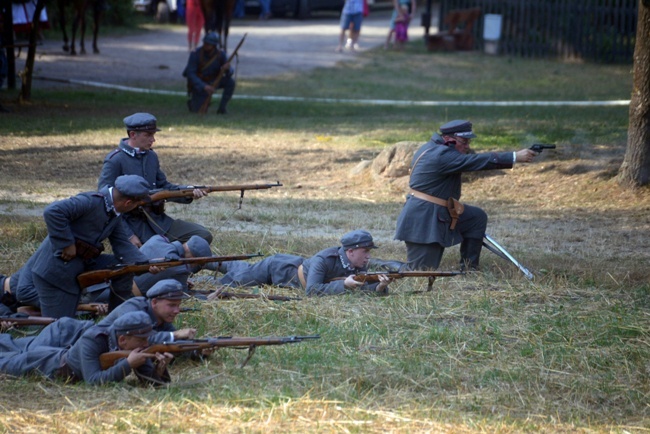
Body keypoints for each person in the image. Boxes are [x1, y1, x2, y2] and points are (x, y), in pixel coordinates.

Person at [394, 120, 539, 271]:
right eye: (464, 141)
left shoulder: (434, 148)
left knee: (475, 217)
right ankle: (374, 264)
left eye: (468, 141)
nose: (467, 146)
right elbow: (473, 161)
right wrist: (514, 156)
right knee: (419, 271)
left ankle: (469, 268)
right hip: (424, 220)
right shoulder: (441, 155)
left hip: (437, 212)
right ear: (449, 140)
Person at [26, 175, 161, 318]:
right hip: (55, 274)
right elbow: (52, 211)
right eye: (137, 204)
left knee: (122, 267)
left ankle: (116, 316)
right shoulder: (90, 201)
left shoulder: (114, 212)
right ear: (128, 203)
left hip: (76, 267)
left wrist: (145, 265)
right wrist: (66, 243)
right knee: (58, 328)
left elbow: (122, 244)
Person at [97, 113, 213, 246]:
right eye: (148, 135)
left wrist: (190, 191)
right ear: (133, 134)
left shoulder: (151, 156)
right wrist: (128, 235)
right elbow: (106, 200)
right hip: (133, 225)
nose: (153, 140)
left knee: (202, 236)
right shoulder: (115, 160)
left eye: (153, 135)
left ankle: (175, 255)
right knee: (156, 254)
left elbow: (164, 187)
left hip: (159, 221)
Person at [0, 311, 173, 385]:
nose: (146, 344)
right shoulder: (94, 339)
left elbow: (152, 384)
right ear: (122, 339)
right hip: (47, 365)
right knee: (6, 363)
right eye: (141, 339)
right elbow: (94, 381)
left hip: (54, 358)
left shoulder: (136, 347)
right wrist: (128, 365)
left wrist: (160, 369)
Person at [210, 230, 395, 297]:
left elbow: (363, 291)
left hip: (290, 267)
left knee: (241, 270)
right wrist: (344, 285)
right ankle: (204, 268)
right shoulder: (324, 259)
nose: (368, 257)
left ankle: (211, 263)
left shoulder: (359, 265)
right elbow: (312, 291)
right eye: (366, 251)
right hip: (276, 269)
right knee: (236, 279)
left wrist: (380, 287)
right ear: (350, 251)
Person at [98, 279, 197, 344]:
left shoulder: (162, 317)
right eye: (171, 305)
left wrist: (196, 349)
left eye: (178, 305)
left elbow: (170, 343)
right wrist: (175, 335)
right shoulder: (134, 308)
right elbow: (136, 339)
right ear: (154, 302)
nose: (177, 311)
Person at [183, 32, 236, 114]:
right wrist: (204, 86)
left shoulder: (220, 55)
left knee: (230, 82)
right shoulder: (195, 54)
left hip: (214, 81)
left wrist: (227, 69)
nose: (206, 45)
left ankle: (222, 108)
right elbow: (190, 74)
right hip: (200, 84)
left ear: (214, 45)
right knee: (196, 110)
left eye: (209, 44)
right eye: (205, 43)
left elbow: (230, 72)